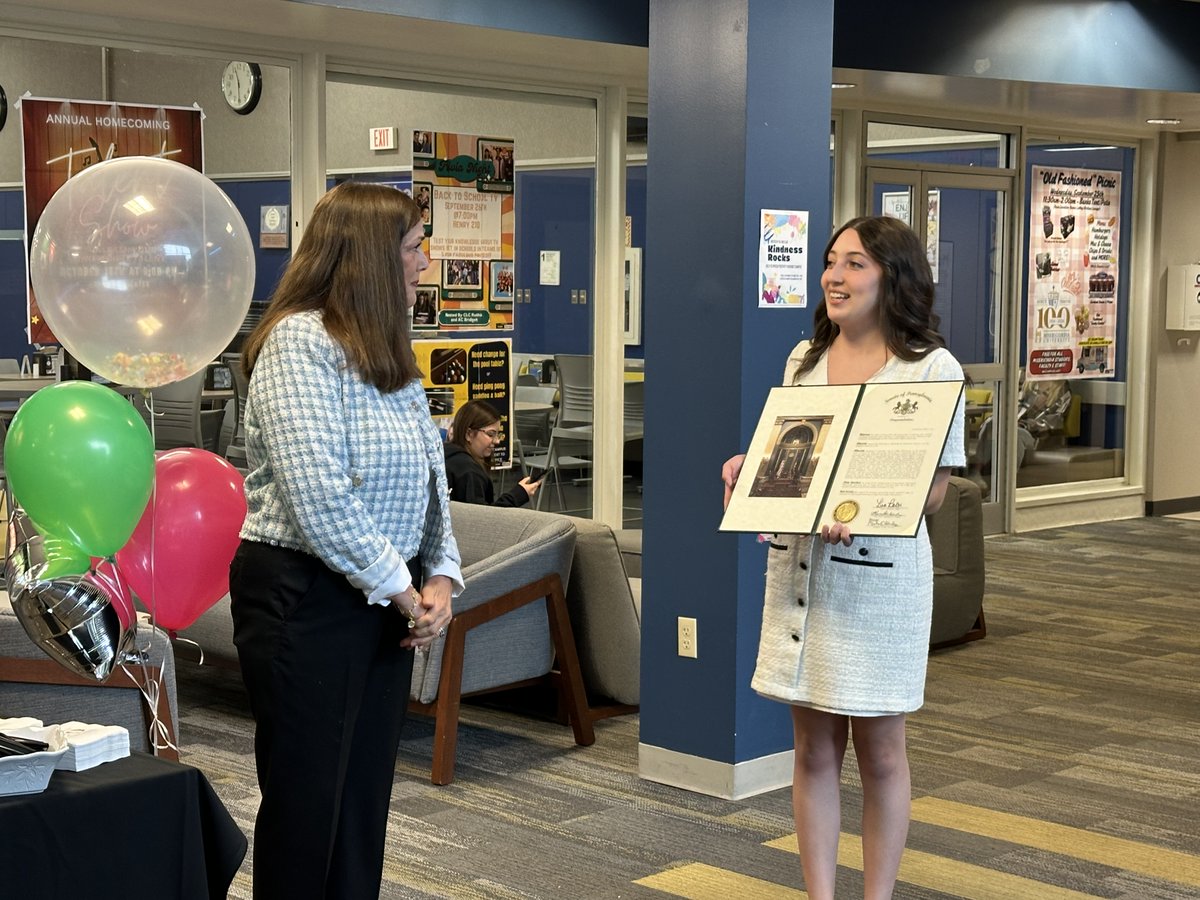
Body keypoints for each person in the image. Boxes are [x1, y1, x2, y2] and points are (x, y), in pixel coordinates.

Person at [229, 181, 462, 900]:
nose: (424, 263)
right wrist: (404, 591)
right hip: (304, 596)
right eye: (415, 248)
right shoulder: (299, 343)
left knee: (363, 803)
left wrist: (441, 580)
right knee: (308, 807)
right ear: (370, 257)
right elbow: (319, 496)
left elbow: (433, 480)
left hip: (384, 601)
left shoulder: (385, 351)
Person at [721, 216, 965, 900]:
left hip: (879, 585)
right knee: (812, 749)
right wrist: (754, 468)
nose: (835, 275)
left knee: (881, 753)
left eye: (855, 263)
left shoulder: (930, 368)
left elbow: (935, 493)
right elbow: (796, 459)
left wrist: (853, 505)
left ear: (894, 277)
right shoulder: (803, 360)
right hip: (803, 571)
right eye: (831, 261)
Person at [444, 399, 541, 506]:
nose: (497, 441)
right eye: (490, 434)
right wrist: (518, 495)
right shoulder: (469, 472)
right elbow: (483, 518)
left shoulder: (445, 454)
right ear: (469, 434)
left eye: (497, 434)